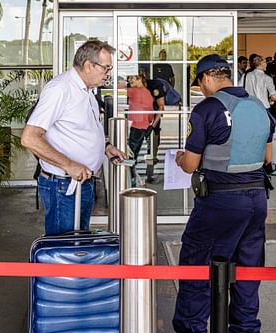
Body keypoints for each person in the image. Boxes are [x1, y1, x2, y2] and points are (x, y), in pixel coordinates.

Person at [157, 54, 275, 333]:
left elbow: (192, 164)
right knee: (247, 276)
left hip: (220, 203)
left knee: (196, 272)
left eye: (200, 83)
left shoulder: (207, 109)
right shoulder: (260, 107)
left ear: (209, 77)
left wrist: (181, 157)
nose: (201, 89)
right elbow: (267, 158)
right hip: (256, 202)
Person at [21, 40, 127, 234]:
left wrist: (107, 146)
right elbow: (30, 138)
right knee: (64, 251)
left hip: (83, 183)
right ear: (88, 65)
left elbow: (84, 129)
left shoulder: (87, 91)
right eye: (106, 68)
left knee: (78, 245)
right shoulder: (60, 89)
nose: (109, 73)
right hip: (62, 186)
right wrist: (69, 165)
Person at [139, 69, 167, 181]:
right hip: (139, 119)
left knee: (153, 146)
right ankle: (131, 173)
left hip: (153, 118)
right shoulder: (133, 87)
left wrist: (153, 125)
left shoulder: (156, 85)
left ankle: (149, 174)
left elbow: (161, 107)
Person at [126, 74, 155, 167]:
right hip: (144, 125)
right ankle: (133, 174)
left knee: (130, 152)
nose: (129, 80)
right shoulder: (147, 93)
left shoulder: (135, 91)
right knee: (135, 152)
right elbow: (151, 112)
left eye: (132, 78)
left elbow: (119, 88)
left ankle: (130, 175)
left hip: (137, 125)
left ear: (139, 80)